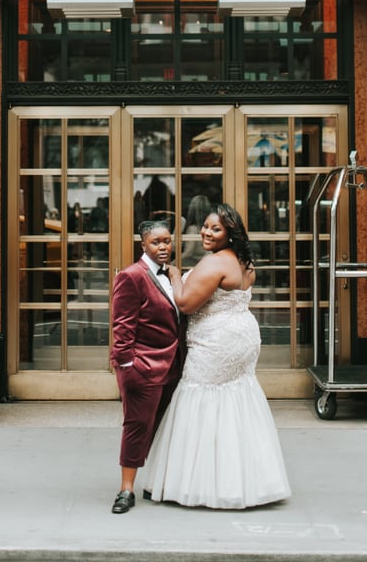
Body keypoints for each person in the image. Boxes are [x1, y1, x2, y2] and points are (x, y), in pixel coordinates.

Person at [143, 203, 291, 509]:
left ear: (230, 233)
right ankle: (247, 480)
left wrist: (173, 274)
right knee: (237, 400)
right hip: (243, 338)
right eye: (206, 226)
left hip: (216, 342)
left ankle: (197, 483)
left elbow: (185, 303)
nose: (207, 232)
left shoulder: (214, 264)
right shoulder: (245, 262)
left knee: (200, 399)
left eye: (216, 228)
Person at [109, 218, 184, 514]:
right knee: (137, 427)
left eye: (167, 241)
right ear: (143, 245)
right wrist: (128, 366)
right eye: (156, 242)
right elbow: (122, 326)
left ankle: (158, 481)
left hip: (172, 367)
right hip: (142, 367)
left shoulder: (172, 274)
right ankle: (126, 490)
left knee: (163, 428)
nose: (163, 246)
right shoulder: (132, 276)